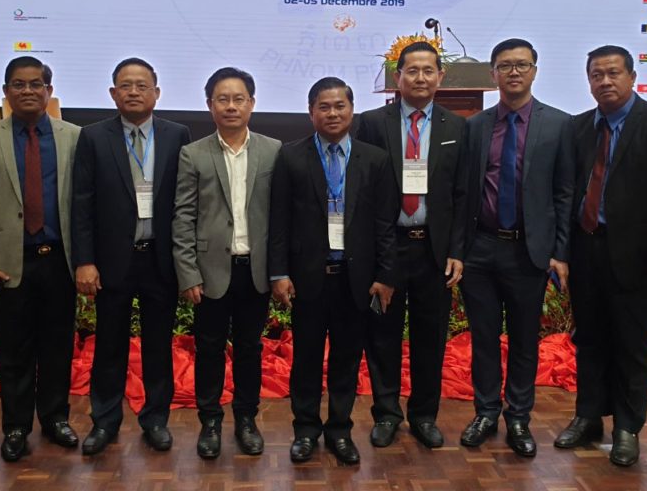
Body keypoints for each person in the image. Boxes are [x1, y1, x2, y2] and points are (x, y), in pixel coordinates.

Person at [553, 45, 647, 467]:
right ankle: (588, 417)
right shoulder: (579, 127)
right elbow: (569, 192)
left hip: (637, 257)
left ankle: (627, 428)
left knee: (632, 344)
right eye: (596, 75)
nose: (605, 81)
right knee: (589, 338)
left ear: (632, 77)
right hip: (586, 249)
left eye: (613, 73)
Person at [268, 77, 396, 465]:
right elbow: (279, 221)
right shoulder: (290, 156)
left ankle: (340, 430)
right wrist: (278, 273)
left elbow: (384, 224)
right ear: (311, 112)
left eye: (340, 106)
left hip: (355, 280)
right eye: (324, 107)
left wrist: (385, 275)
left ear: (352, 110)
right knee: (306, 359)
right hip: (308, 278)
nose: (333, 113)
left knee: (346, 359)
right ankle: (306, 430)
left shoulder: (375, 159)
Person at [458, 38, 574, 457]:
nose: (513, 72)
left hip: (529, 251)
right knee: (484, 337)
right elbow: (463, 193)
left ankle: (519, 418)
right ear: (493, 73)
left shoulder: (559, 125)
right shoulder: (475, 127)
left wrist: (560, 252)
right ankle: (486, 412)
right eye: (505, 65)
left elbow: (565, 194)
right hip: (481, 249)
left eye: (522, 65)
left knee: (525, 340)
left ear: (535, 71)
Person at [71, 57, 191, 456]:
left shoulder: (177, 135)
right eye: (126, 85)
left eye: (142, 85)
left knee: (158, 345)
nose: (134, 92)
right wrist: (85, 260)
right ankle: (104, 421)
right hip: (112, 262)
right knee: (109, 346)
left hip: (159, 259)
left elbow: (186, 201)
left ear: (157, 92)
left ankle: (155, 419)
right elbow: (82, 203)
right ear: (113, 93)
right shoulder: (93, 136)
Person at [0, 56, 81, 461]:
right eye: (19, 84)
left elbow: (84, 205)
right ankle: (15, 427)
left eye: (36, 84)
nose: (28, 91)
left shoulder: (74, 137)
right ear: (5, 91)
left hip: (59, 261)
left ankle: (55, 418)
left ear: (49, 91)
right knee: (13, 351)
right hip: (7, 264)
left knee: (57, 346)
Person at [353, 41, 467, 449]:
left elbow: (462, 195)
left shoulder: (457, 127)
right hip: (387, 248)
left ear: (441, 76)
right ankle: (386, 413)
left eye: (428, 70)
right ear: (397, 76)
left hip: (433, 251)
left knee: (429, 337)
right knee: (382, 335)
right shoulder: (371, 123)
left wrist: (456, 250)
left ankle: (423, 415)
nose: (420, 78)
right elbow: (362, 191)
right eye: (412, 70)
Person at [172, 67, 281, 459]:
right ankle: (211, 422)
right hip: (210, 271)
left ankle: (247, 419)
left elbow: (282, 217)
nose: (231, 106)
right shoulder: (193, 153)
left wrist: (280, 271)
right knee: (209, 348)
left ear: (251, 103)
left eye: (238, 99)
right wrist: (188, 273)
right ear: (210, 105)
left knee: (250, 348)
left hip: (256, 269)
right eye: (223, 99)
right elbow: (183, 216)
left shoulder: (273, 150)